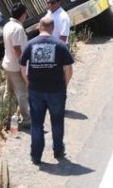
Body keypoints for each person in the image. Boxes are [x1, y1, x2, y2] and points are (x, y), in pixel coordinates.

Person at [20, 17, 74, 165]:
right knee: (57, 122)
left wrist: (29, 82)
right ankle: (58, 150)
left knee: (37, 124)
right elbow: (68, 69)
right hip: (56, 90)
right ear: (52, 28)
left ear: (39, 27)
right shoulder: (60, 45)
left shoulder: (30, 45)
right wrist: (65, 85)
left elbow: (23, 68)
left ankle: (36, 156)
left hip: (36, 90)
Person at [2, 3, 30, 129]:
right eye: (25, 13)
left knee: (9, 92)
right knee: (22, 93)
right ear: (22, 14)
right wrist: (23, 65)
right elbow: (17, 48)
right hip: (15, 66)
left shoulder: (8, 25)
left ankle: (6, 116)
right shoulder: (18, 29)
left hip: (7, 64)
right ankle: (26, 120)